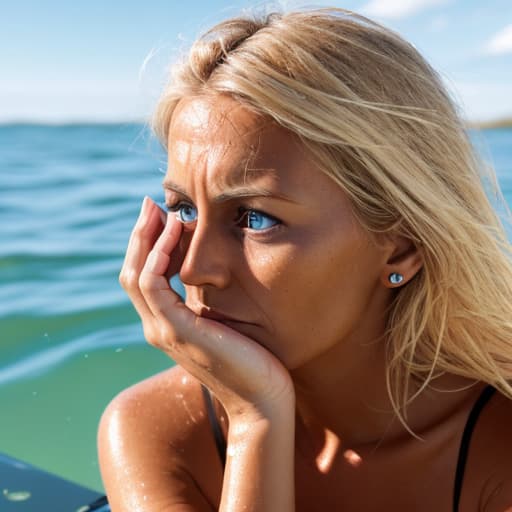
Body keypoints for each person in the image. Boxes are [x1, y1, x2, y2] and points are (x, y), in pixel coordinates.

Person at [97, 8, 512, 511]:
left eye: (254, 219)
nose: (193, 269)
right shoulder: (155, 427)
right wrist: (257, 418)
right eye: (183, 208)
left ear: (401, 245)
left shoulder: (496, 451)